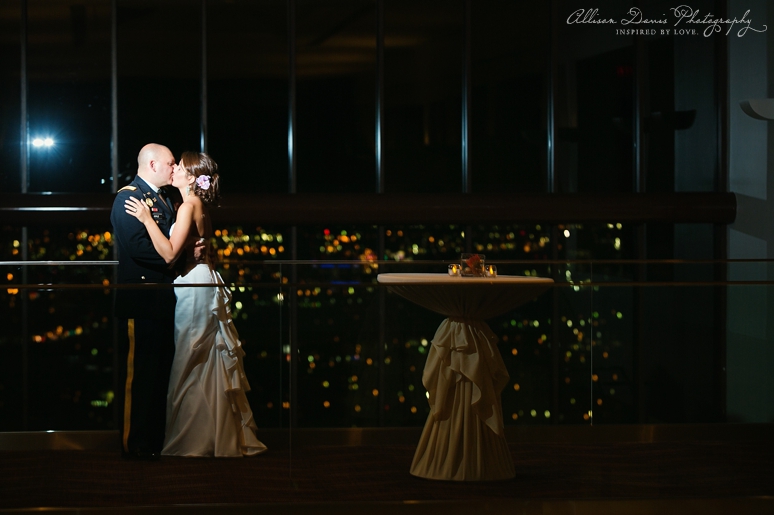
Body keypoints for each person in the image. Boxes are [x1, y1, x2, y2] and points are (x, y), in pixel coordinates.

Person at [125, 151, 267, 457]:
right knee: (206, 358)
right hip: (205, 279)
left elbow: (168, 254)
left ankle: (193, 439)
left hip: (193, 285)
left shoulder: (188, 206)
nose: (173, 169)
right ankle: (213, 434)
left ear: (190, 178)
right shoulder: (198, 206)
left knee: (190, 358)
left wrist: (147, 219)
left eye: (178, 167)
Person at [111, 143, 178, 460]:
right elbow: (137, 247)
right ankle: (134, 443)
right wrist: (173, 257)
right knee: (139, 376)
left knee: (159, 373)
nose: (174, 168)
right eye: (170, 163)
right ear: (152, 165)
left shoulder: (162, 198)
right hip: (140, 300)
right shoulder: (129, 197)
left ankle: (153, 440)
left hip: (161, 299)